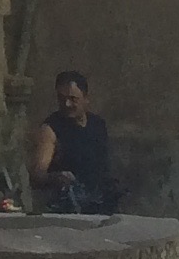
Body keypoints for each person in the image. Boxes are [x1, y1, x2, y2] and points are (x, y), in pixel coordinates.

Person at [27, 69, 120, 213]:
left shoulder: (98, 125)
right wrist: (57, 177)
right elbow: (36, 175)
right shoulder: (50, 130)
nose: (67, 104)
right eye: (61, 98)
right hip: (67, 208)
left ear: (86, 98)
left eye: (73, 99)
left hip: (100, 203)